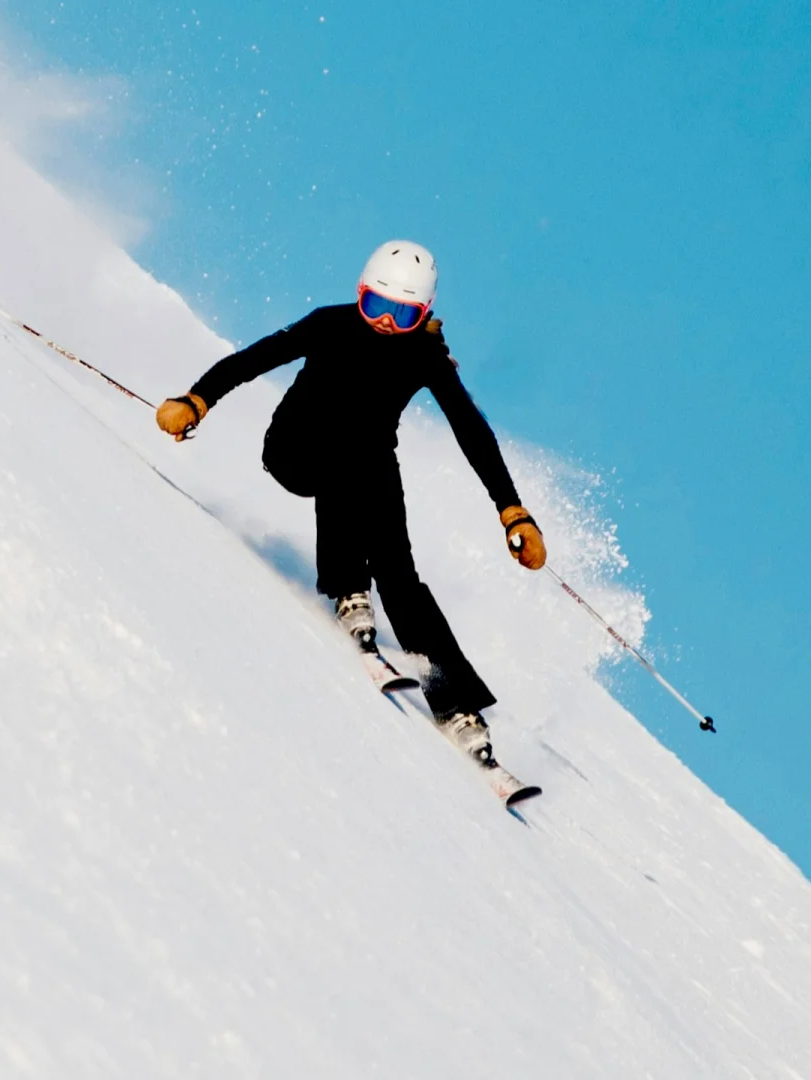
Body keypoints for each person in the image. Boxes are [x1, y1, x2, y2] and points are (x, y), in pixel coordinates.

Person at [155, 240, 545, 763]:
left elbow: (470, 429)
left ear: (424, 313)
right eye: (376, 305)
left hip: (367, 461)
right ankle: (348, 588)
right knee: (344, 463)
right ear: (359, 293)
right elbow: (254, 360)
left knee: (400, 574)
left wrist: (512, 510)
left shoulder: (423, 354)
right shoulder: (330, 324)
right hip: (296, 447)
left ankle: (455, 704)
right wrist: (196, 399)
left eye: (402, 314)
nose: (384, 321)